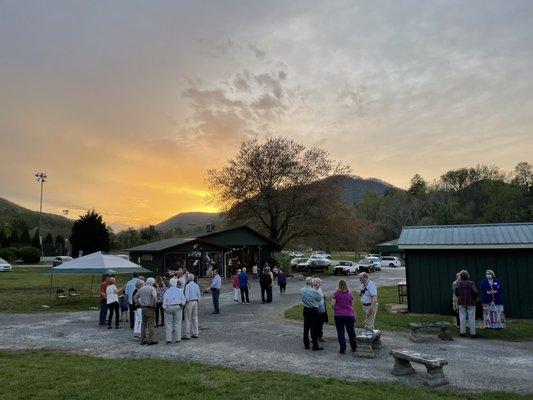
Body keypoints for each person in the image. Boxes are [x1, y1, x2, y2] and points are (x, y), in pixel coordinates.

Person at [332, 279, 357, 354]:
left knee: (340, 332)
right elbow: (352, 305)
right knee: (351, 332)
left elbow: (333, 304)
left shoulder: (336, 294)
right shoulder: (350, 294)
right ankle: (354, 347)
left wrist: (335, 308)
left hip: (339, 315)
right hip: (349, 315)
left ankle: (342, 349)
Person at [134, 277, 158, 345]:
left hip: (143, 308)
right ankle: (150, 339)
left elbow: (135, 297)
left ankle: (143, 339)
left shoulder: (142, 288)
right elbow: (154, 298)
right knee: (151, 324)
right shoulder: (152, 289)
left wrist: (139, 303)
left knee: (143, 324)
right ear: (152, 282)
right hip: (150, 308)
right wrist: (154, 305)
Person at [301, 277, 323, 351]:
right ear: (311, 283)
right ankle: (315, 345)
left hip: (306, 309)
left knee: (306, 327)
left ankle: (306, 344)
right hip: (313, 309)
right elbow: (319, 298)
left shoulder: (302, 290)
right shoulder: (314, 291)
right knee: (314, 328)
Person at [455, 269, 478, 338]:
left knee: (462, 318)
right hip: (471, 302)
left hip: (462, 302)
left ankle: (462, 333)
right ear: (468, 276)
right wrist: (474, 298)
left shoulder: (459, 284)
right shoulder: (471, 283)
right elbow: (475, 292)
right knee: (471, 318)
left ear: (461, 277)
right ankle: (473, 333)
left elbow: (456, 293)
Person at [163, 278, 186, 344]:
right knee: (177, 323)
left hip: (169, 307)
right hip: (177, 307)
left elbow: (164, 301)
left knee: (168, 324)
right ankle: (178, 338)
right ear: (176, 283)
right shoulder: (180, 290)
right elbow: (183, 301)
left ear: (170, 283)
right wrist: (181, 306)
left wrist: (164, 307)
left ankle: (168, 339)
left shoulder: (167, 291)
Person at [183, 273, 201, 339]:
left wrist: (184, 303)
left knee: (188, 318)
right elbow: (199, 295)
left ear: (188, 279)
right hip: (195, 302)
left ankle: (187, 334)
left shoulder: (187, 285)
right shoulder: (196, 285)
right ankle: (196, 333)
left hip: (189, 302)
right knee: (195, 318)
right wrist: (197, 301)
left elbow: (187, 296)